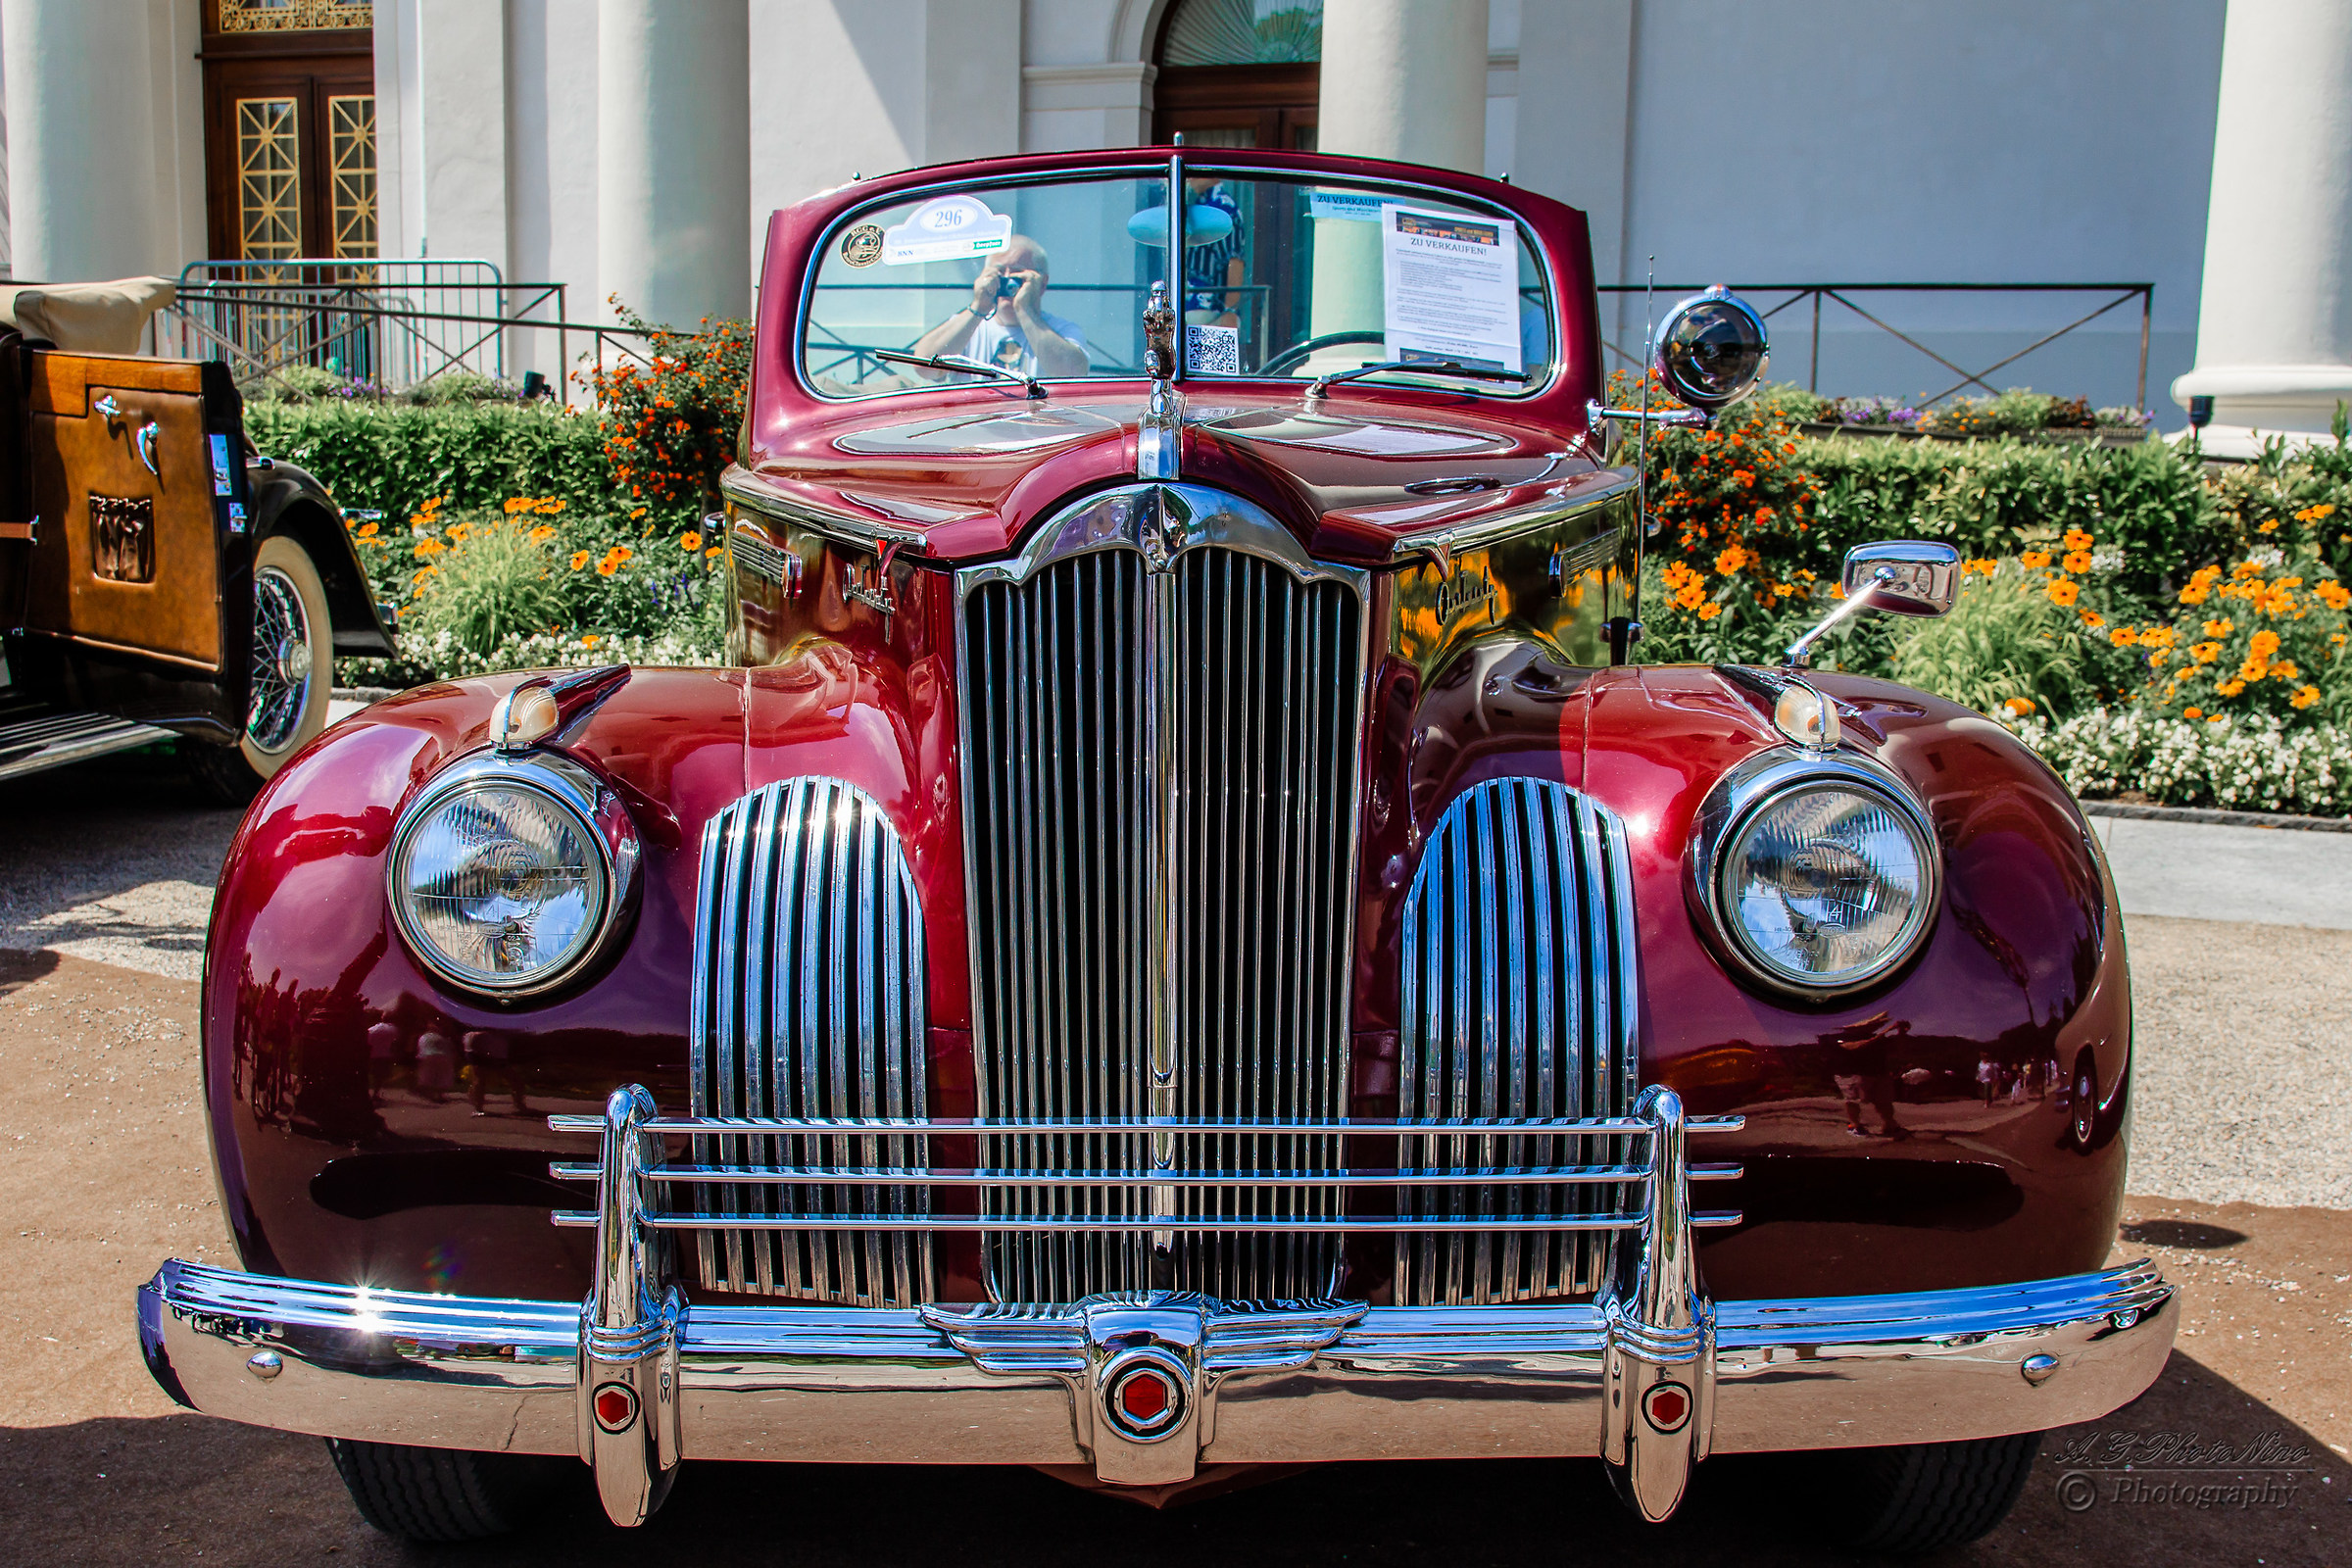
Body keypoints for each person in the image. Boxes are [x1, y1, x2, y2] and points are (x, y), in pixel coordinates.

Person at [908, 234, 1089, 380]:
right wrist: (978, 307)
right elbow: (924, 368)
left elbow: (1074, 374)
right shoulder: (969, 327)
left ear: (1042, 283)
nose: (1007, 280)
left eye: (1017, 272)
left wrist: (1024, 311)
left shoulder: (1063, 331)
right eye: (999, 272)